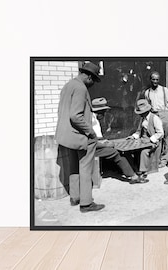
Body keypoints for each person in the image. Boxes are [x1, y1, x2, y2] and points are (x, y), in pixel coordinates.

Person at [55, 61, 105, 213]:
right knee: (85, 167)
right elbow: (75, 116)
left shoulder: (68, 85)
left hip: (66, 136)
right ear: (89, 76)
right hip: (80, 135)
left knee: (73, 166)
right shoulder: (80, 88)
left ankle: (75, 197)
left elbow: (63, 112)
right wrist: (91, 132)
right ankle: (86, 203)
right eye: (94, 81)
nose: (92, 84)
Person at [91, 97, 148, 184]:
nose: (105, 113)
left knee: (117, 148)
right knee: (114, 152)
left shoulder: (95, 119)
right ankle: (133, 176)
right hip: (90, 148)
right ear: (98, 111)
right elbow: (91, 141)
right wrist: (105, 145)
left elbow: (98, 137)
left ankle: (129, 170)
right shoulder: (91, 120)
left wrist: (105, 141)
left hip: (95, 144)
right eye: (103, 111)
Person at [127, 99, 164, 177]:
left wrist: (151, 139)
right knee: (133, 149)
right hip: (143, 141)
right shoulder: (142, 119)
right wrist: (133, 136)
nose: (140, 115)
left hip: (153, 142)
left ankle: (144, 171)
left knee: (144, 152)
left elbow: (160, 133)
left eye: (142, 113)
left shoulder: (155, 118)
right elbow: (139, 131)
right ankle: (135, 169)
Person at [144, 71, 168, 168]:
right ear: (150, 79)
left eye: (157, 79)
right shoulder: (147, 93)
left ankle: (164, 160)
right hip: (155, 115)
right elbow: (147, 107)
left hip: (165, 113)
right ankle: (157, 159)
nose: (155, 81)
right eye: (153, 79)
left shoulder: (164, 90)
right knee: (158, 137)